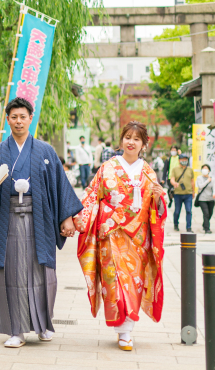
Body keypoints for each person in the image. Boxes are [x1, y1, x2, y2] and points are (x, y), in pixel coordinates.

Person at [0, 97, 84, 348]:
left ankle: (43, 325)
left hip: (41, 219)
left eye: (23, 116)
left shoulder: (45, 151)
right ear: (7, 120)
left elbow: (60, 186)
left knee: (43, 271)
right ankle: (17, 330)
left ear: (30, 118)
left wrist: (67, 217)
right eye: (13, 117)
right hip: (8, 219)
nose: (18, 121)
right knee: (12, 273)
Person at [74, 121, 167, 352]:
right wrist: (76, 219)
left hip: (138, 238)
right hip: (111, 235)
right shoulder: (107, 167)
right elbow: (91, 196)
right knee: (114, 282)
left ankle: (127, 329)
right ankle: (123, 330)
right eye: (127, 137)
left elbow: (158, 209)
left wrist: (157, 198)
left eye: (137, 139)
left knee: (134, 283)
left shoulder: (148, 172)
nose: (131, 142)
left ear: (144, 144)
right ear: (121, 140)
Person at [170, 153, 195, 232]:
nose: (184, 161)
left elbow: (192, 181)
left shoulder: (190, 169)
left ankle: (188, 227)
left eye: (185, 159)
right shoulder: (175, 169)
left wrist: (193, 191)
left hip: (188, 194)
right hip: (178, 194)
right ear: (179, 160)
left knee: (188, 211)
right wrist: (174, 183)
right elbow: (172, 179)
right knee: (177, 211)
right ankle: (176, 224)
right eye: (182, 159)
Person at [195, 164, 215, 234]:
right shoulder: (199, 178)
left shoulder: (212, 178)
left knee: (210, 213)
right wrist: (207, 181)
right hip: (202, 199)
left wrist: (214, 193)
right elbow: (200, 186)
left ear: (209, 170)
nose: (205, 170)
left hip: (211, 199)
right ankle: (207, 229)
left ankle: (205, 224)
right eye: (203, 168)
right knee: (206, 213)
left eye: (206, 168)